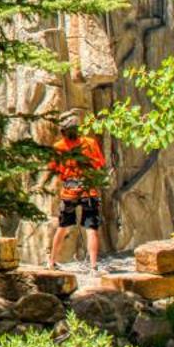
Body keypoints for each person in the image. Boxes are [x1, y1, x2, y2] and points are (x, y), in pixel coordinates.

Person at [48, 114, 107, 272]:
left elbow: (53, 167)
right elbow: (100, 164)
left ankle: (52, 262)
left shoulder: (59, 146)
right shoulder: (90, 143)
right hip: (89, 190)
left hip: (69, 190)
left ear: (63, 131)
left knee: (63, 226)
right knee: (91, 229)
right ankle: (94, 266)